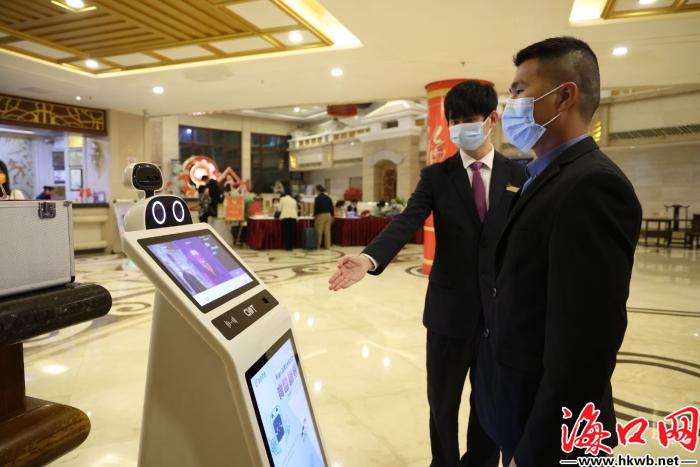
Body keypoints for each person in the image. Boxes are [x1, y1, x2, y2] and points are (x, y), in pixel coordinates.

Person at [328, 80, 527, 467]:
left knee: (489, 403)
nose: (460, 128)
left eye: (469, 119)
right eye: (454, 120)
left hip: (499, 317)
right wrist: (369, 259)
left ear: (492, 119)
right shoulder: (436, 177)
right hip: (448, 316)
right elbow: (407, 221)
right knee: (442, 403)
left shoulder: (518, 174)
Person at [472, 37, 642, 467]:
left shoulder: (593, 186)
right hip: (516, 408)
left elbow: (584, 349)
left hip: (549, 434)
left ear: (564, 96)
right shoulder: (538, 176)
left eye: (519, 91)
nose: (510, 106)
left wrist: (537, 452)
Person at [313, 185, 333, 249]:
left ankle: (318, 246)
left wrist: (314, 215)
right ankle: (328, 246)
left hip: (320, 215)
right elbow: (331, 208)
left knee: (319, 231)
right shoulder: (328, 198)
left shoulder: (317, 198)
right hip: (328, 215)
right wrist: (332, 216)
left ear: (318, 190)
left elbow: (316, 208)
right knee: (327, 232)